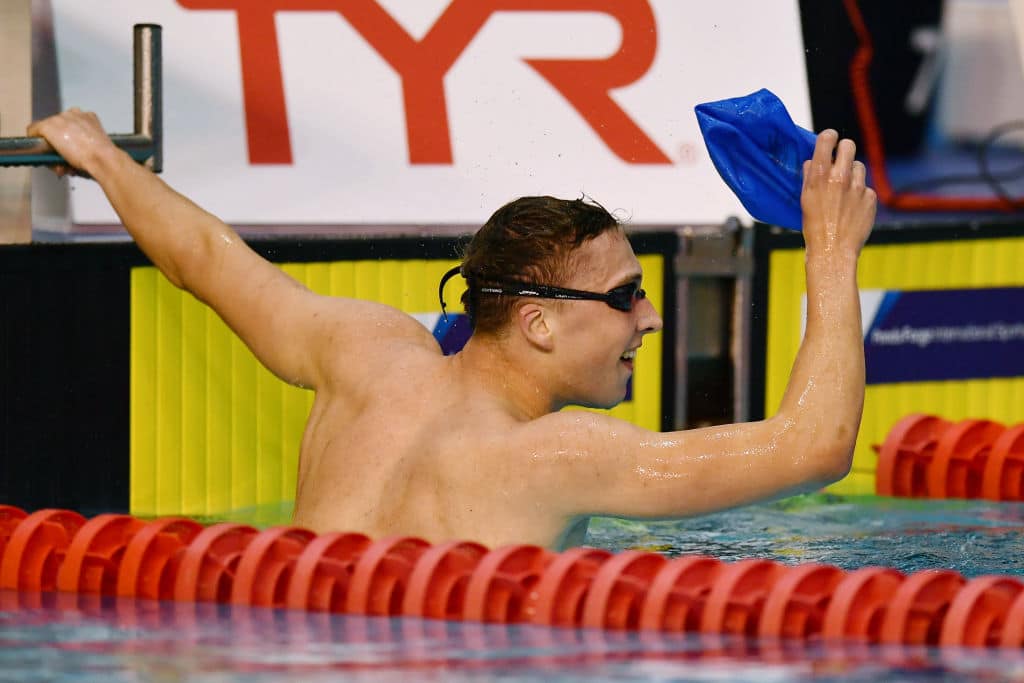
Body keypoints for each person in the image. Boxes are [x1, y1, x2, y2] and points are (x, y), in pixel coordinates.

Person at [29, 109, 876, 549]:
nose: (649, 319)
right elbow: (813, 447)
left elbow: (209, 263)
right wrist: (832, 251)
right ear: (537, 322)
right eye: (626, 297)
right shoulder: (554, 455)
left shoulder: (362, 352)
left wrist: (100, 156)